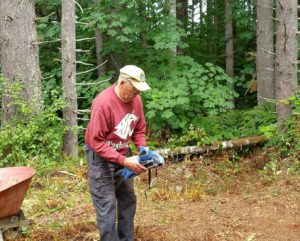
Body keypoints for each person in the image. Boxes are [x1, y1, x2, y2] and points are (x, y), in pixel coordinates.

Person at [84, 65, 151, 241]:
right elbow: (95, 141)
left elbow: (139, 129)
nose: (138, 94)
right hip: (100, 158)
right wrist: (123, 160)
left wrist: (142, 148)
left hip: (123, 154)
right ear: (122, 83)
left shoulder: (136, 100)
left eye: (139, 90)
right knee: (107, 207)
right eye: (135, 89)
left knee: (128, 200)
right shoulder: (103, 104)